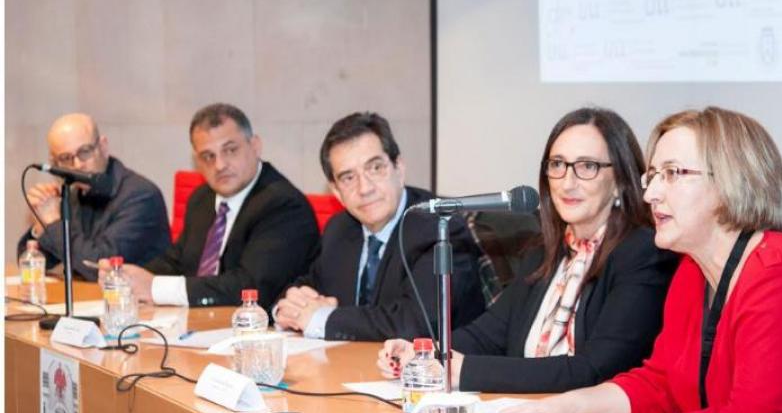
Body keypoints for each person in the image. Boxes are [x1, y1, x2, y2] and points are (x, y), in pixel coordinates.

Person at [490, 107, 782, 413]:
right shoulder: (692, 268)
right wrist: (569, 404)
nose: (650, 194)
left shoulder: (781, 274)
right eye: (653, 175)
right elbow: (660, 385)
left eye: (673, 174)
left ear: (730, 182)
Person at [376, 107, 679, 393]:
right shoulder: (545, 251)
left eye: (587, 166)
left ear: (620, 182)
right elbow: (487, 335)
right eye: (558, 164)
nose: (567, 182)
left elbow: (595, 370)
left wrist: (464, 372)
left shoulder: (642, 254)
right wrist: (424, 353)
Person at [272, 112, 485, 341]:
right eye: (348, 178)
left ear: (399, 168)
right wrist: (289, 308)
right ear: (336, 191)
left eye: (375, 168)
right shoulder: (340, 229)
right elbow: (308, 284)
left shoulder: (440, 227)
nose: (365, 188)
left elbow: (416, 322)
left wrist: (322, 318)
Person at [104, 103, 320, 311]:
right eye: (208, 156)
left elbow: (249, 287)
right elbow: (177, 261)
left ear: (255, 146)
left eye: (230, 150)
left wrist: (155, 287)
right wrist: (129, 277)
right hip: (200, 325)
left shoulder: (283, 205)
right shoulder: (202, 198)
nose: (220, 165)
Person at [18, 113, 170, 281]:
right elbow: (33, 260)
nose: (77, 165)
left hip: (138, 303)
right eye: (66, 158)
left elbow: (99, 267)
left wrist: (54, 224)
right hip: (90, 298)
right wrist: (41, 225)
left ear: (103, 147)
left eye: (84, 152)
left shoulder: (141, 196)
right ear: (55, 164)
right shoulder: (74, 193)